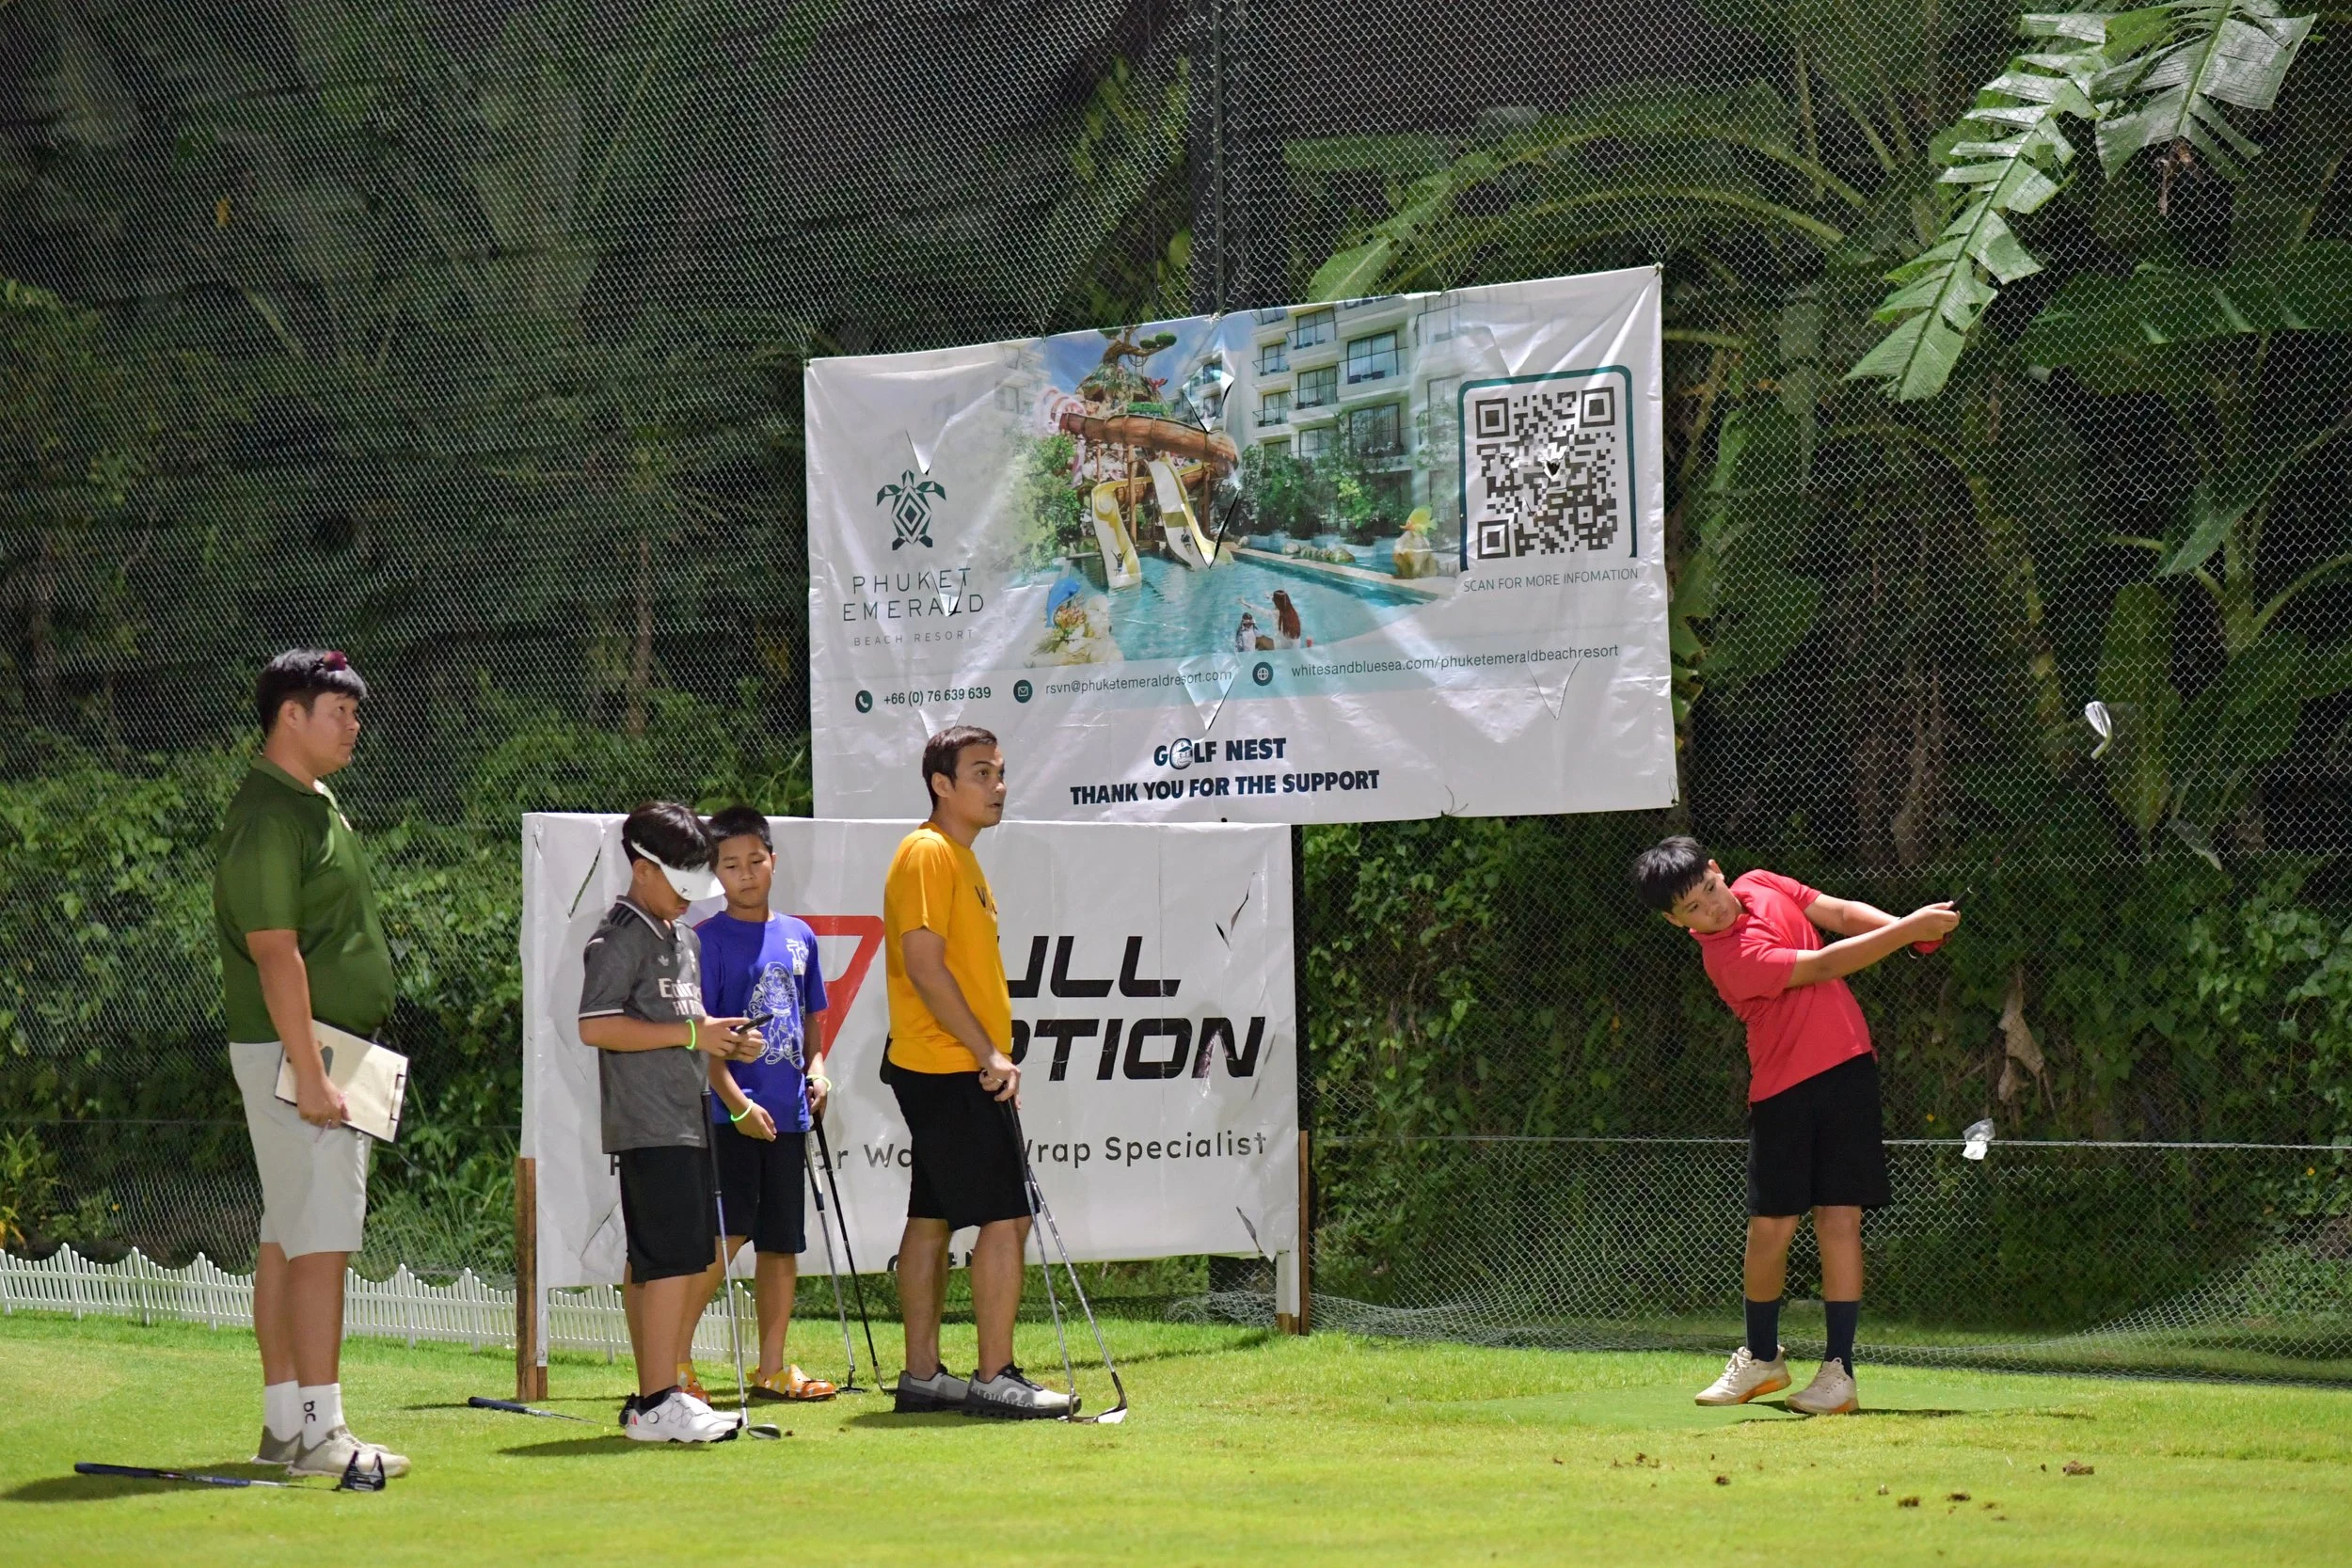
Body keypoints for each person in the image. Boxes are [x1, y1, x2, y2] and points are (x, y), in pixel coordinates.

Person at [1630, 836, 1960, 1416]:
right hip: (1783, 1092)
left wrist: (1911, 928)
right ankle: (1762, 1358)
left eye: (1710, 889)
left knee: (1840, 1220)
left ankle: (1840, 1375)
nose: (1713, 907)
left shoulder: (1760, 881)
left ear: (1717, 870)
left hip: (1849, 1068)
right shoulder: (1727, 958)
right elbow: (1827, 962)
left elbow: (1835, 914)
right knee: (1771, 1229)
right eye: (1694, 909)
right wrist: (1909, 931)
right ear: (1674, 921)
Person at [215, 649, 409, 1479]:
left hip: (323, 1048)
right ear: (288, 715)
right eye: (339, 710)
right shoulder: (270, 814)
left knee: (287, 1236)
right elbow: (274, 952)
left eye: (356, 712)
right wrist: (315, 1071)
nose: (353, 725)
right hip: (303, 1052)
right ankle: (322, 1432)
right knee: (321, 1238)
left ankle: (284, 1427)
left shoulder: (313, 801)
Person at [882, 725, 1071, 1418]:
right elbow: (925, 967)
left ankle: (924, 1375)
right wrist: (988, 1052)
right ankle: (996, 1375)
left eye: (1000, 771)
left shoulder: (960, 858)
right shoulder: (928, 852)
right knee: (1006, 1215)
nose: (999, 785)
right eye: (982, 772)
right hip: (949, 1064)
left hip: (946, 1062)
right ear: (942, 784)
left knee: (932, 1216)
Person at [577, 801, 764, 1442]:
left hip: (689, 1119)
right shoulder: (619, 934)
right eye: (679, 883)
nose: (689, 899)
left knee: (683, 1257)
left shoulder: (682, 938)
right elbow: (595, 1024)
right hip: (646, 1123)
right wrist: (693, 1030)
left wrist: (724, 1045)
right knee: (664, 1262)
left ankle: (658, 1396)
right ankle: (657, 1399)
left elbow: (690, 1029)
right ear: (641, 867)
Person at [676, 804, 838, 1403]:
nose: (745, 874)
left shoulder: (800, 935)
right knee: (726, 1238)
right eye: (730, 865)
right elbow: (702, 1039)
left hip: (789, 1117)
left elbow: (813, 1021)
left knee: (780, 1243)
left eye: (754, 861)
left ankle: (772, 1367)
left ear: (773, 860)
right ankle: (674, 1363)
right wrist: (739, 1105)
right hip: (730, 1117)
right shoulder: (705, 941)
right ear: (715, 874)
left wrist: (818, 1073)